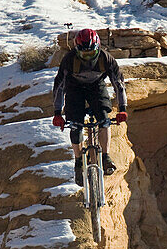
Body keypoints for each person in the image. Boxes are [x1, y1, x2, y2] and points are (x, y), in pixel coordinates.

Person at [52, 28, 128, 186]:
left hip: (96, 87)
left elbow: (119, 85)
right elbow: (59, 87)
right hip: (74, 88)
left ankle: (105, 157)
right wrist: (58, 113)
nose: (87, 58)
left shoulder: (106, 58)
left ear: (98, 48)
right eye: (83, 54)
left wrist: (122, 109)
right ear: (77, 50)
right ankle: (79, 161)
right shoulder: (69, 60)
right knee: (75, 125)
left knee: (104, 118)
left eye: (91, 54)